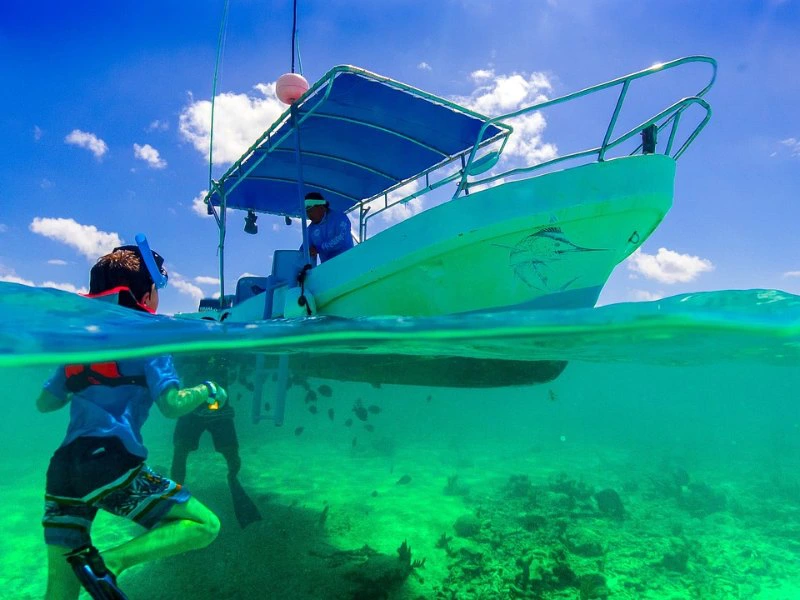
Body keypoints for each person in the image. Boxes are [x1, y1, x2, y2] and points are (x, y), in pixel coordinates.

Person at [37, 241, 227, 600]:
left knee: (60, 589)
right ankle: (111, 562)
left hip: (63, 469)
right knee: (204, 525)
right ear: (149, 292)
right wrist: (208, 389)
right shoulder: (149, 336)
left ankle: (94, 567)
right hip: (109, 462)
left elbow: (46, 403)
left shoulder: (81, 342)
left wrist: (85, 382)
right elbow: (172, 405)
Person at [171, 354, 262, 529]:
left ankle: (233, 480)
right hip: (193, 408)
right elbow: (176, 370)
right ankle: (176, 496)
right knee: (181, 450)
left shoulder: (215, 350)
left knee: (229, 452)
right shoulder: (192, 351)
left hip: (216, 410)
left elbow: (239, 365)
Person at [304, 191, 354, 263]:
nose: (308, 215)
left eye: (310, 210)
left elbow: (341, 238)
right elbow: (304, 250)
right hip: (328, 268)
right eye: (307, 212)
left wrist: (319, 248)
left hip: (348, 262)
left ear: (322, 208)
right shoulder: (310, 230)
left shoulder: (339, 217)